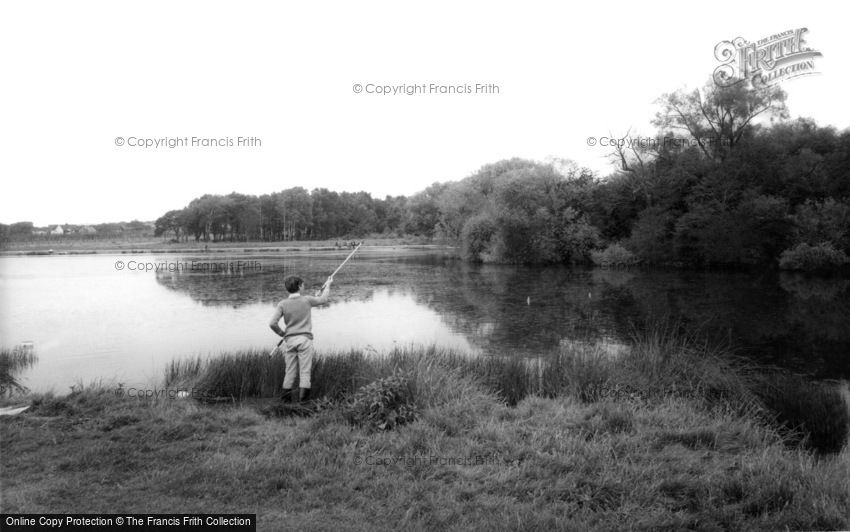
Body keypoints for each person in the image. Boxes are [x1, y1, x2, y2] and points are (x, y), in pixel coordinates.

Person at [268, 274, 333, 403]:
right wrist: (328, 285)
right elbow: (323, 299)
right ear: (299, 286)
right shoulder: (307, 300)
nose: (304, 286)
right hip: (304, 340)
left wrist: (283, 334)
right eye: (303, 284)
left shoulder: (282, 304)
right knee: (305, 373)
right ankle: (303, 404)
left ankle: (285, 404)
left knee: (290, 372)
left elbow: (272, 324)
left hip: (289, 341)